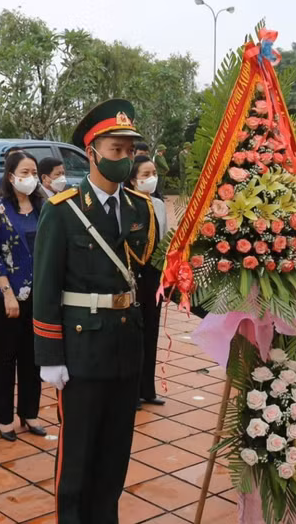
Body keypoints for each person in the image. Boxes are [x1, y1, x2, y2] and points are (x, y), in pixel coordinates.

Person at [33, 99, 155, 523]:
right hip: (81, 350)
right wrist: (50, 356)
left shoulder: (140, 209)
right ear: (92, 152)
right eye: (115, 150)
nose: (124, 159)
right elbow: (46, 287)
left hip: (126, 347)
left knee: (114, 455)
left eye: (130, 151)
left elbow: (152, 276)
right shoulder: (63, 209)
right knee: (78, 457)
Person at [0, 151, 46, 442]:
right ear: (11, 176)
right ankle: (4, 417)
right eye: (24, 171)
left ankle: (30, 412)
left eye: (34, 171)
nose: (30, 177)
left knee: (33, 356)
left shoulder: (43, 207)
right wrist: (7, 292)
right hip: (6, 295)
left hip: (38, 294)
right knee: (5, 357)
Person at [128, 156, 166, 409]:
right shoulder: (126, 204)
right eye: (145, 173)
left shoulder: (159, 204)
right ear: (133, 179)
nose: (151, 177)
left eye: (153, 172)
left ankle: (147, 389)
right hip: (133, 275)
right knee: (134, 335)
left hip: (155, 274)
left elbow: (164, 239)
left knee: (151, 330)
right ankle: (131, 392)